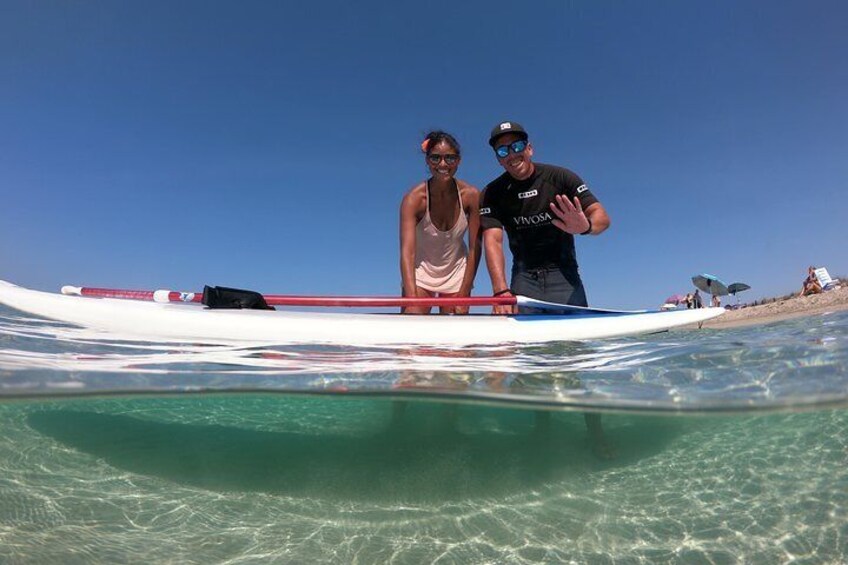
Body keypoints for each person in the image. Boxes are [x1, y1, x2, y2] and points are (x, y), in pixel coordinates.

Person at [479, 120, 613, 457]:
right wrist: (499, 291)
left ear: (529, 147)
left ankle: (596, 435)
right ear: (497, 157)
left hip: (564, 277)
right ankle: (542, 431)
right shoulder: (493, 193)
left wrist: (584, 227)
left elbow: (602, 217)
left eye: (516, 145)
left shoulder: (561, 177)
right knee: (535, 363)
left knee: (578, 360)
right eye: (502, 149)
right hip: (523, 280)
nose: (511, 154)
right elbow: (491, 239)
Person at [400, 131, 481, 314]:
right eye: (435, 158)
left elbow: (476, 248)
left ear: (458, 161)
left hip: (456, 273)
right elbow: (407, 252)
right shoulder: (414, 199)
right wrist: (411, 299)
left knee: (456, 339)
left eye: (450, 158)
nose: (443, 164)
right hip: (420, 273)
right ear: (427, 161)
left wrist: (465, 292)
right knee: (413, 337)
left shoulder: (471, 196)